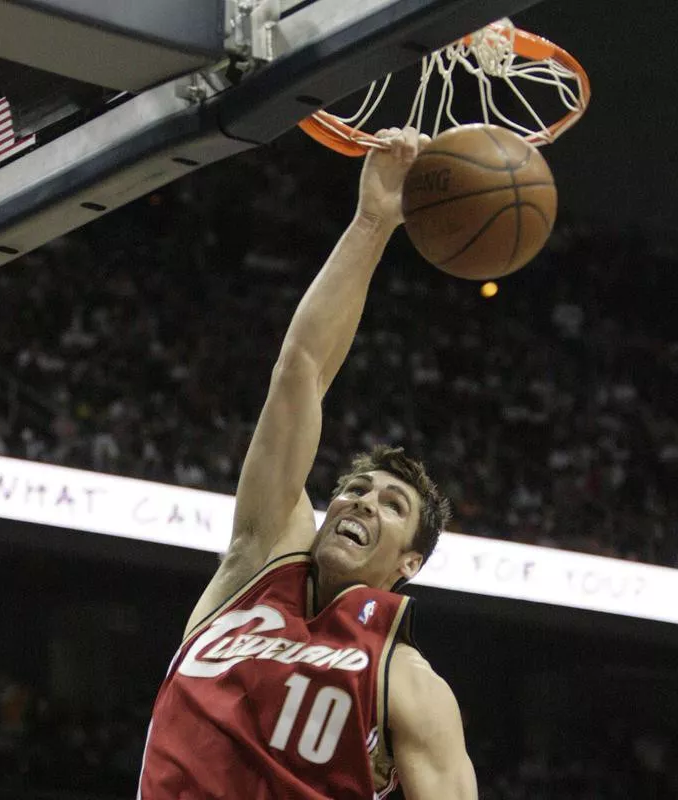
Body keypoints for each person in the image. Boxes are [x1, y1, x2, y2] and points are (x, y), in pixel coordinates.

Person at [137, 128, 478, 799]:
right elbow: (301, 370)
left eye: (391, 505)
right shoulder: (256, 565)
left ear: (410, 564)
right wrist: (374, 220)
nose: (359, 501)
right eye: (355, 488)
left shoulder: (407, 682)